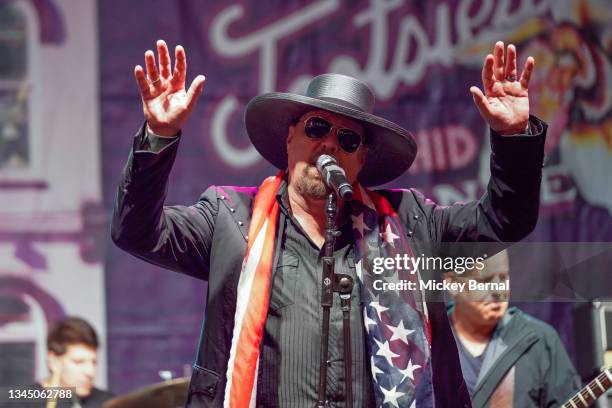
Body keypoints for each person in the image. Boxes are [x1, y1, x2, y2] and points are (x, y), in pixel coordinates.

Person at [111, 39, 547, 407]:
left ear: (361, 158)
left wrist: (512, 139)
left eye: (347, 139)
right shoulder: (230, 218)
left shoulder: (412, 222)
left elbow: (504, 221)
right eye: (317, 127)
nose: (329, 145)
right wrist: (159, 136)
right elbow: (137, 231)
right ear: (290, 136)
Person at [446, 250, 581, 407]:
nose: (498, 291)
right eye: (484, 281)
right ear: (452, 284)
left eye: (503, 278)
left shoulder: (540, 340)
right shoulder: (427, 342)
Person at [34, 317, 113, 407]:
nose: (90, 372)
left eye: (94, 362)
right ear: (53, 361)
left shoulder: (110, 403)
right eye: (78, 362)